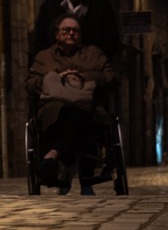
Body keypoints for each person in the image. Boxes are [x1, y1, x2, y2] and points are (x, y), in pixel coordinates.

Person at [26, 13, 117, 195]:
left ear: (81, 34)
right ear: (56, 34)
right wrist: (54, 79)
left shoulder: (93, 54)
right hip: (53, 110)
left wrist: (85, 77)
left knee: (79, 114)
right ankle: (66, 163)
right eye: (66, 30)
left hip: (87, 109)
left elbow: (111, 77)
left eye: (75, 30)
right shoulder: (44, 57)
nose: (71, 34)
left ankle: (54, 155)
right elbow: (29, 83)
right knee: (64, 113)